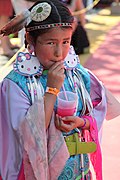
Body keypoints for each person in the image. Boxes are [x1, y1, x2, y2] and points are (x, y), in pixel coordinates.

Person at [0, 0, 108, 179]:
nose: (59, 52)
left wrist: (82, 123)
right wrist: (51, 90)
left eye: (66, 41)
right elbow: (27, 136)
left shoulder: (77, 73)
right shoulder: (16, 84)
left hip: (79, 171)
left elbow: (99, 109)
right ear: (30, 39)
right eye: (50, 43)